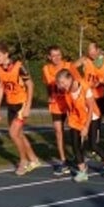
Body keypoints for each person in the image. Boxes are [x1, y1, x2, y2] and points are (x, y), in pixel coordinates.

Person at [0, 42, 43, 175]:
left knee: (13, 134)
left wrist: (28, 106)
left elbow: (30, 85)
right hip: (11, 105)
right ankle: (34, 159)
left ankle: (23, 161)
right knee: (19, 134)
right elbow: (0, 88)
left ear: (6, 54)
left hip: (22, 104)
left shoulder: (19, 67)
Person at [57, 69, 104, 182]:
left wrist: (86, 127)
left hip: (91, 116)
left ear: (70, 79)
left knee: (93, 145)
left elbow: (90, 108)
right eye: (60, 83)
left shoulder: (84, 86)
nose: (62, 86)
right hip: (76, 118)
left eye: (63, 82)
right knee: (75, 145)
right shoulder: (66, 91)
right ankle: (82, 170)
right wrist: (69, 120)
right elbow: (71, 107)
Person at [43, 46, 74, 176]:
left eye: (58, 55)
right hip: (56, 105)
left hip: (69, 103)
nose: (56, 58)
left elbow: (76, 82)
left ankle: (77, 155)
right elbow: (48, 85)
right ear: (49, 57)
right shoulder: (46, 69)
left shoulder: (69, 66)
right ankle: (63, 161)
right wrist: (50, 96)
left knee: (74, 130)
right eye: (53, 55)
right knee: (58, 132)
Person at [77, 42, 104, 148]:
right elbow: (72, 68)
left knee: (97, 122)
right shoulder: (85, 60)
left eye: (92, 51)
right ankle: (84, 143)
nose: (91, 53)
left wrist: (102, 83)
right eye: (89, 51)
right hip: (87, 95)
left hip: (100, 96)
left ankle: (95, 145)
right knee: (85, 119)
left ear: (98, 50)